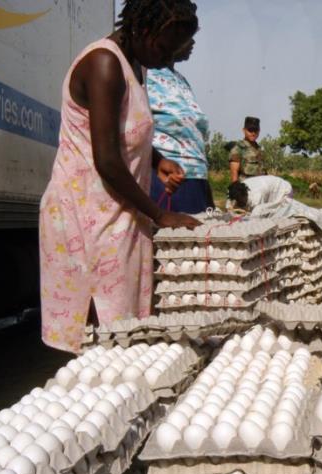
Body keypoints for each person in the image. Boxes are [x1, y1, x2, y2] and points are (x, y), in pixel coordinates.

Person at [39, 0, 201, 353]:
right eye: (165, 48)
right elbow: (108, 160)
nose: (169, 59)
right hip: (87, 221)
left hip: (118, 214)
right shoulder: (104, 64)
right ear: (144, 29)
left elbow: (121, 132)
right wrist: (160, 215)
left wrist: (157, 160)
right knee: (97, 339)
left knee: (122, 335)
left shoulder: (135, 66)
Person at [146, 37, 214, 213]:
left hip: (196, 177)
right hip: (169, 181)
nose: (192, 42)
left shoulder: (180, 80)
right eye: (186, 35)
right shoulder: (145, 75)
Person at [228, 176, 322, 230]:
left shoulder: (257, 195)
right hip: (270, 191)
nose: (240, 202)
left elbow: (258, 214)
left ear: (245, 195)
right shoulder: (236, 190)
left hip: (283, 191)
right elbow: (231, 207)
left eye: (241, 200)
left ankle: (320, 213)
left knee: (286, 214)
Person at [229, 116, 266, 182]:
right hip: (245, 188)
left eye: (255, 130)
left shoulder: (260, 149)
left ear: (259, 131)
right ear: (244, 130)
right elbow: (234, 172)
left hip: (260, 188)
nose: (253, 133)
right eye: (250, 130)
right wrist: (235, 189)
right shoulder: (238, 148)